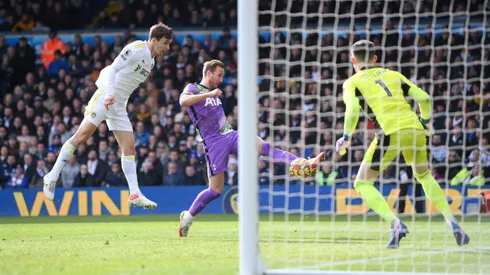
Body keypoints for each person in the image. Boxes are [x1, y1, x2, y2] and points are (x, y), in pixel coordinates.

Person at [335, 40, 469, 248]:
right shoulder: (394, 75)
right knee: (424, 175)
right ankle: (452, 222)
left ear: (353, 60)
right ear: (375, 58)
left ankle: (396, 224)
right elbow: (424, 98)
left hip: (390, 132)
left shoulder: (352, 82)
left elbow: (352, 108)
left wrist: (346, 136)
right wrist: (425, 121)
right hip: (415, 129)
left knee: (362, 183)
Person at [177, 59, 325, 237]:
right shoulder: (193, 88)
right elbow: (183, 102)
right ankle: (188, 217)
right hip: (213, 143)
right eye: (219, 75)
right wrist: (209, 95)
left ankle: (302, 164)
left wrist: (212, 95)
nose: (221, 80)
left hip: (231, 135)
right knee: (215, 191)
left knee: (263, 146)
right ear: (208, 73)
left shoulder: (215, 93)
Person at [43, 23, 173, 209]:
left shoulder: (151, 61)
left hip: (119, 106)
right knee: (82, 137)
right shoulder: (135, 49)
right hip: (106, 96)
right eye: (165, 43)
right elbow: (111, 69)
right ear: (153, 40)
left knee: (129, 147)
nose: (167, 47)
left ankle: (135, 194)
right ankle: (52, 176)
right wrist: (110, 93)